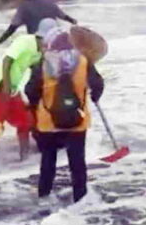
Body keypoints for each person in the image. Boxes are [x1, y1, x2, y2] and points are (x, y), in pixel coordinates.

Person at [25, 28, 104, 203]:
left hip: (48, 121)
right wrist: (94, 96)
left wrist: (34, 106)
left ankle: (44, 195)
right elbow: (98, 84)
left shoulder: (42, 64)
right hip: (77, 120)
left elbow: (30, 90)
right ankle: (81, 199)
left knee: (48, 160)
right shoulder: (83, 61)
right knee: (77, 162)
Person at [0, 19, 58, 161]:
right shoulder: (25, 41)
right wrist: (6, 84)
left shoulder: (40, 51)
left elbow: (42, 69)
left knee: (25, 121)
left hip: (13, 89)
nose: (49, 45)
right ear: (41, 36)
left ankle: (24, 161)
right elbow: (7, 60)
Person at [0, 0, 77, 46]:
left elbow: (12, 28)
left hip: (37, 42)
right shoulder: (48, 1)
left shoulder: (24, 7)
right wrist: (73, 21)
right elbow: (63, 16)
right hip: (54, 38)